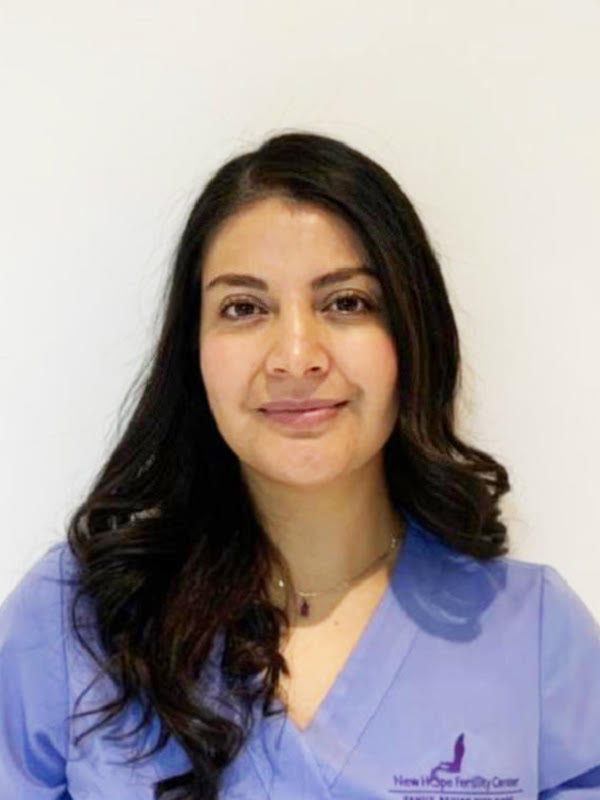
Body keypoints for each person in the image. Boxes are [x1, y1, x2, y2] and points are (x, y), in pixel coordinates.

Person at [1, 131, 599, 800]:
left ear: (412, 335)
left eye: (347, 302)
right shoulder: (77, 620)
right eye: (244, 308)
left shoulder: (533, 634)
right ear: (193, 353)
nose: (295, 357)